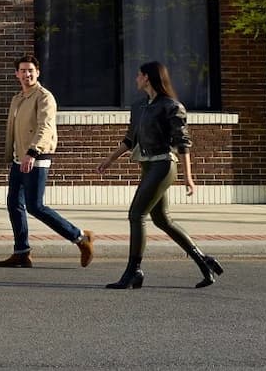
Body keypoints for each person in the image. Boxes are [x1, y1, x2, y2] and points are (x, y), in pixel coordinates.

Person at [95, 61, 225, 289]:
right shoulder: (139, 106)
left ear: (147, 78)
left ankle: (133, 272)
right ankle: (204, 262)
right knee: (162, 220)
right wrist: (110, 159)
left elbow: (183, 143)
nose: (135, 79)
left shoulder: (171, 106)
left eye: (138, 75)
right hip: (147, 166)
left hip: (163, 166)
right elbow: (130, 139)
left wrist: (188, 177)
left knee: (136, 215)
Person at [0, 55, 95, 268]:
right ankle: (21, 252)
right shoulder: (18, 98)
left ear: (37, 72)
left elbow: (45, 127)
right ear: (16, 74)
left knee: (35, 206)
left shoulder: (44, 97)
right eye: (22, 70)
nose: (26, 74)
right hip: (19, 159)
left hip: (36, 158)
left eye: (30, 70)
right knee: (14, 205)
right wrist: (12, 155)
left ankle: (80, 238)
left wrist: (32, 152)